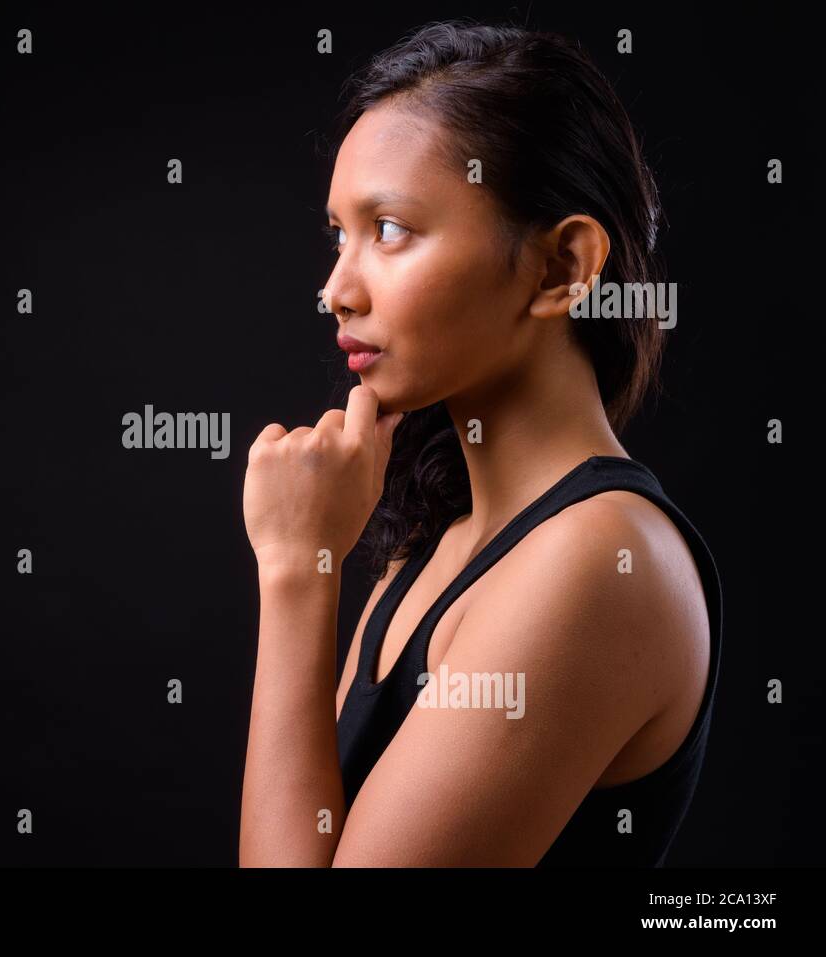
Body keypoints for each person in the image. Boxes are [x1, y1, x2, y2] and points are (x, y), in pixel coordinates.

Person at [239, 20, 722, 867]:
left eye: (389, 229)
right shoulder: (436, 538)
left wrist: (294, 573)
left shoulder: (600, 559)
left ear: (561, 268)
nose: (335, 290)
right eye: (337, 235)